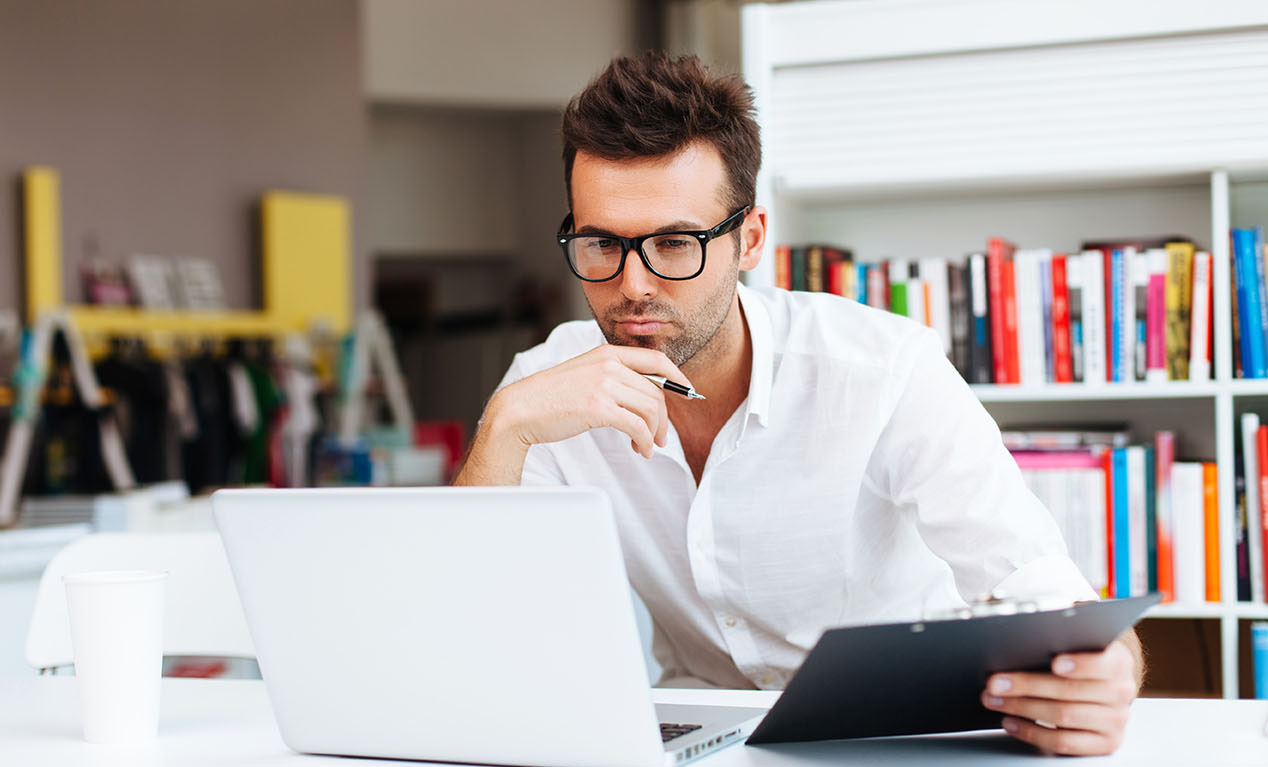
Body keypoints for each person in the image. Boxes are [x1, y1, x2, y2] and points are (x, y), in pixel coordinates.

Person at [454, 52, 1142, 756]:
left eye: (675, 243)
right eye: (602, 243)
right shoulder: (544, 391)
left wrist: (1102, 672)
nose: (633, 285)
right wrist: (503, 429)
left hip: (900, 731)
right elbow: (468, 628)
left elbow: (1039, 583)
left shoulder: (883, 370)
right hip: (702, 738)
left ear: (750, 239)